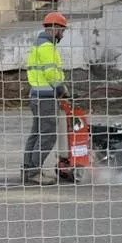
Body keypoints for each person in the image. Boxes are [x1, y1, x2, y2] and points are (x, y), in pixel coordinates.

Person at [22, 11, 70, 185]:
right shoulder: (47, 47)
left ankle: (28, 170)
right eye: (62, 31)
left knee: (36, 134)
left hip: (37, 95)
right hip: (45, 98)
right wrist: (61, 89)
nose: (63, 35)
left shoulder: (39, 45)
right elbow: (50, 72)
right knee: (48, 135)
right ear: (55, 28)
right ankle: (34, 172)